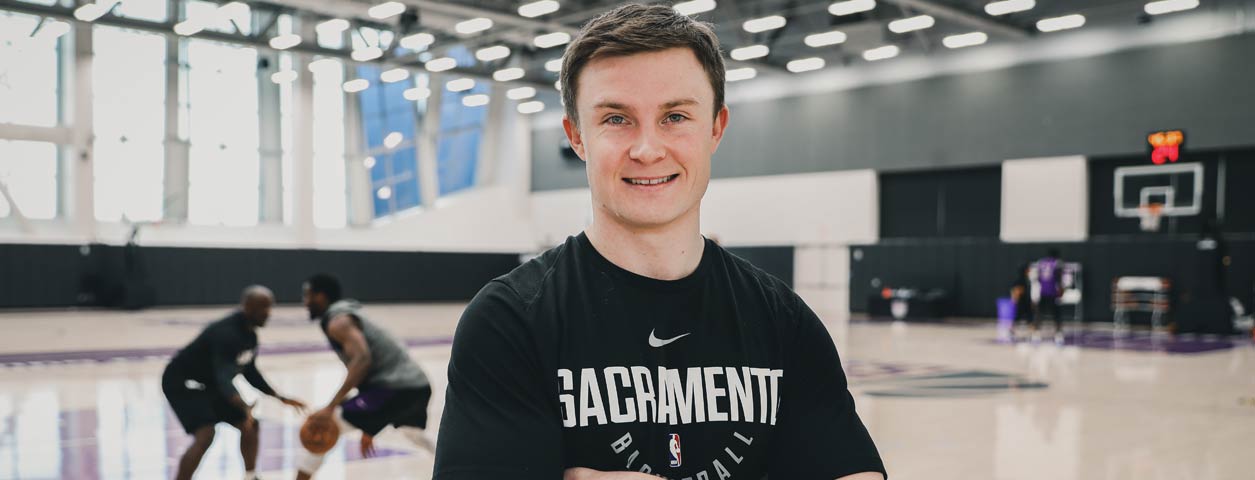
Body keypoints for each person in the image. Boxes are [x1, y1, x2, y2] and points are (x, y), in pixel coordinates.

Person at [434, 4, 885, 480]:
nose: (647, 150)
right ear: (577, 136)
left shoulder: (782, 321)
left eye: (675, 116)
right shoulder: (509, 322)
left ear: (715, 128)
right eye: (616, 119)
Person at [296, 273, 434, 480]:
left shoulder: (338, 322)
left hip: (396, 388)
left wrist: (330, 407)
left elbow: (362, 361)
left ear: (321, 296)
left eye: (308, 295)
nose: (305, 302)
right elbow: (367, 372)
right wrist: (369, 426)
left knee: (323, 428)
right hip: (416, 386)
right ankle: (467, 470)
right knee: (414, 434)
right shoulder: (347, 312)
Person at [163, 285, 307, 480]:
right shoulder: (226, 333)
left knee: (250, 425)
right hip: (182, 383)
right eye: (263, 307)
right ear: (247, 307)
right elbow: (223, 377)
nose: (268, 313)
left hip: (209, 383)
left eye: (269, 307)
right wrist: (243, 405)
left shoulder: (250, 335)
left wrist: (279, 396)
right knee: (206, 433)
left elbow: (250, 371)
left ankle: (250, 477)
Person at [1033, 248, 1065, 342]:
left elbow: (1038, 278)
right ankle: (1058, 334)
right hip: (1053, 292)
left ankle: (1036, 333)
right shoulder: (1057, 263)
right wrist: (1061, 290)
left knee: (1039, 313)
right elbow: (1059, 279)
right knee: (1056, 314)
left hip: (1042, 291)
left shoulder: (1041, 263)